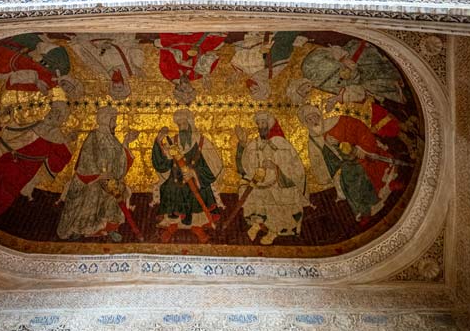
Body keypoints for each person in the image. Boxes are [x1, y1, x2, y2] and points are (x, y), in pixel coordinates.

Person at [0, 75, 75, 219]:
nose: (55, 116)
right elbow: (17, 130)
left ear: (63, 119)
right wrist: (6, 124)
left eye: (59, 115)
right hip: (10, 157)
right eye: (54, 112)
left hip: (26, 168)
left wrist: (67, 142)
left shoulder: (57, 137)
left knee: (8, 188)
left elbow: (60, 159)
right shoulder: (35, 123)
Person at [298, 104, 402, 222]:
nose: (314, 121)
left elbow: (360, 129)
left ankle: (385, 189)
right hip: (343, 166)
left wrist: (361, 147)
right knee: (347, 177)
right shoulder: (313, 141)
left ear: (320, 115)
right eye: (309, 120)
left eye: (315, 117)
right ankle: (365, 210)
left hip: (361, 153)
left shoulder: (338, 121)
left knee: (358, 168)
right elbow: (317, 163)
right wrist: (329, 176)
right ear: (305, 124)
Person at [56, 106, 139, 242]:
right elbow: (85, 161)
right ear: (106, 119)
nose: (116, 123)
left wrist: (125, 142)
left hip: (108, 180)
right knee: (93, 192)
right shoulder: (93, 136)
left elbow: (121, 159)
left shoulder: (113, 140)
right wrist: (98, 176)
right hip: (92, 180)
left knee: (116, 192)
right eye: (113, 120)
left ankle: (110, 228)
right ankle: (81, 228)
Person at [151, 109, 223, 243]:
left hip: (197, 180)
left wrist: (195, 173)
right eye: (178, 124)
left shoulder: (202, 141)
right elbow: (162, 165)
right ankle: (173, 224)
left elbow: (215, 164)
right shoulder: (173, 142)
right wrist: (158, 142)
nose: (181, 127)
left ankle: (197, 226)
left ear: (190, 123)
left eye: (184, 123)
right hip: (176, 179)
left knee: (196, 191)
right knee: (169, 188)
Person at [235, 112, 308, 244]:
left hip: (281, 183)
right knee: (245, 189)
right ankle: (257, 224)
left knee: (275, 198)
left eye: (264, 123)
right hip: (260, 183)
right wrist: (241, 144)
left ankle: (273, 231)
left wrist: (276, 167)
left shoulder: (281, 143)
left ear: (269, 125)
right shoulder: (254, 144)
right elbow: (243, 167)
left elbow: (295, 168)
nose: (261, 126)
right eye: (259, 124)